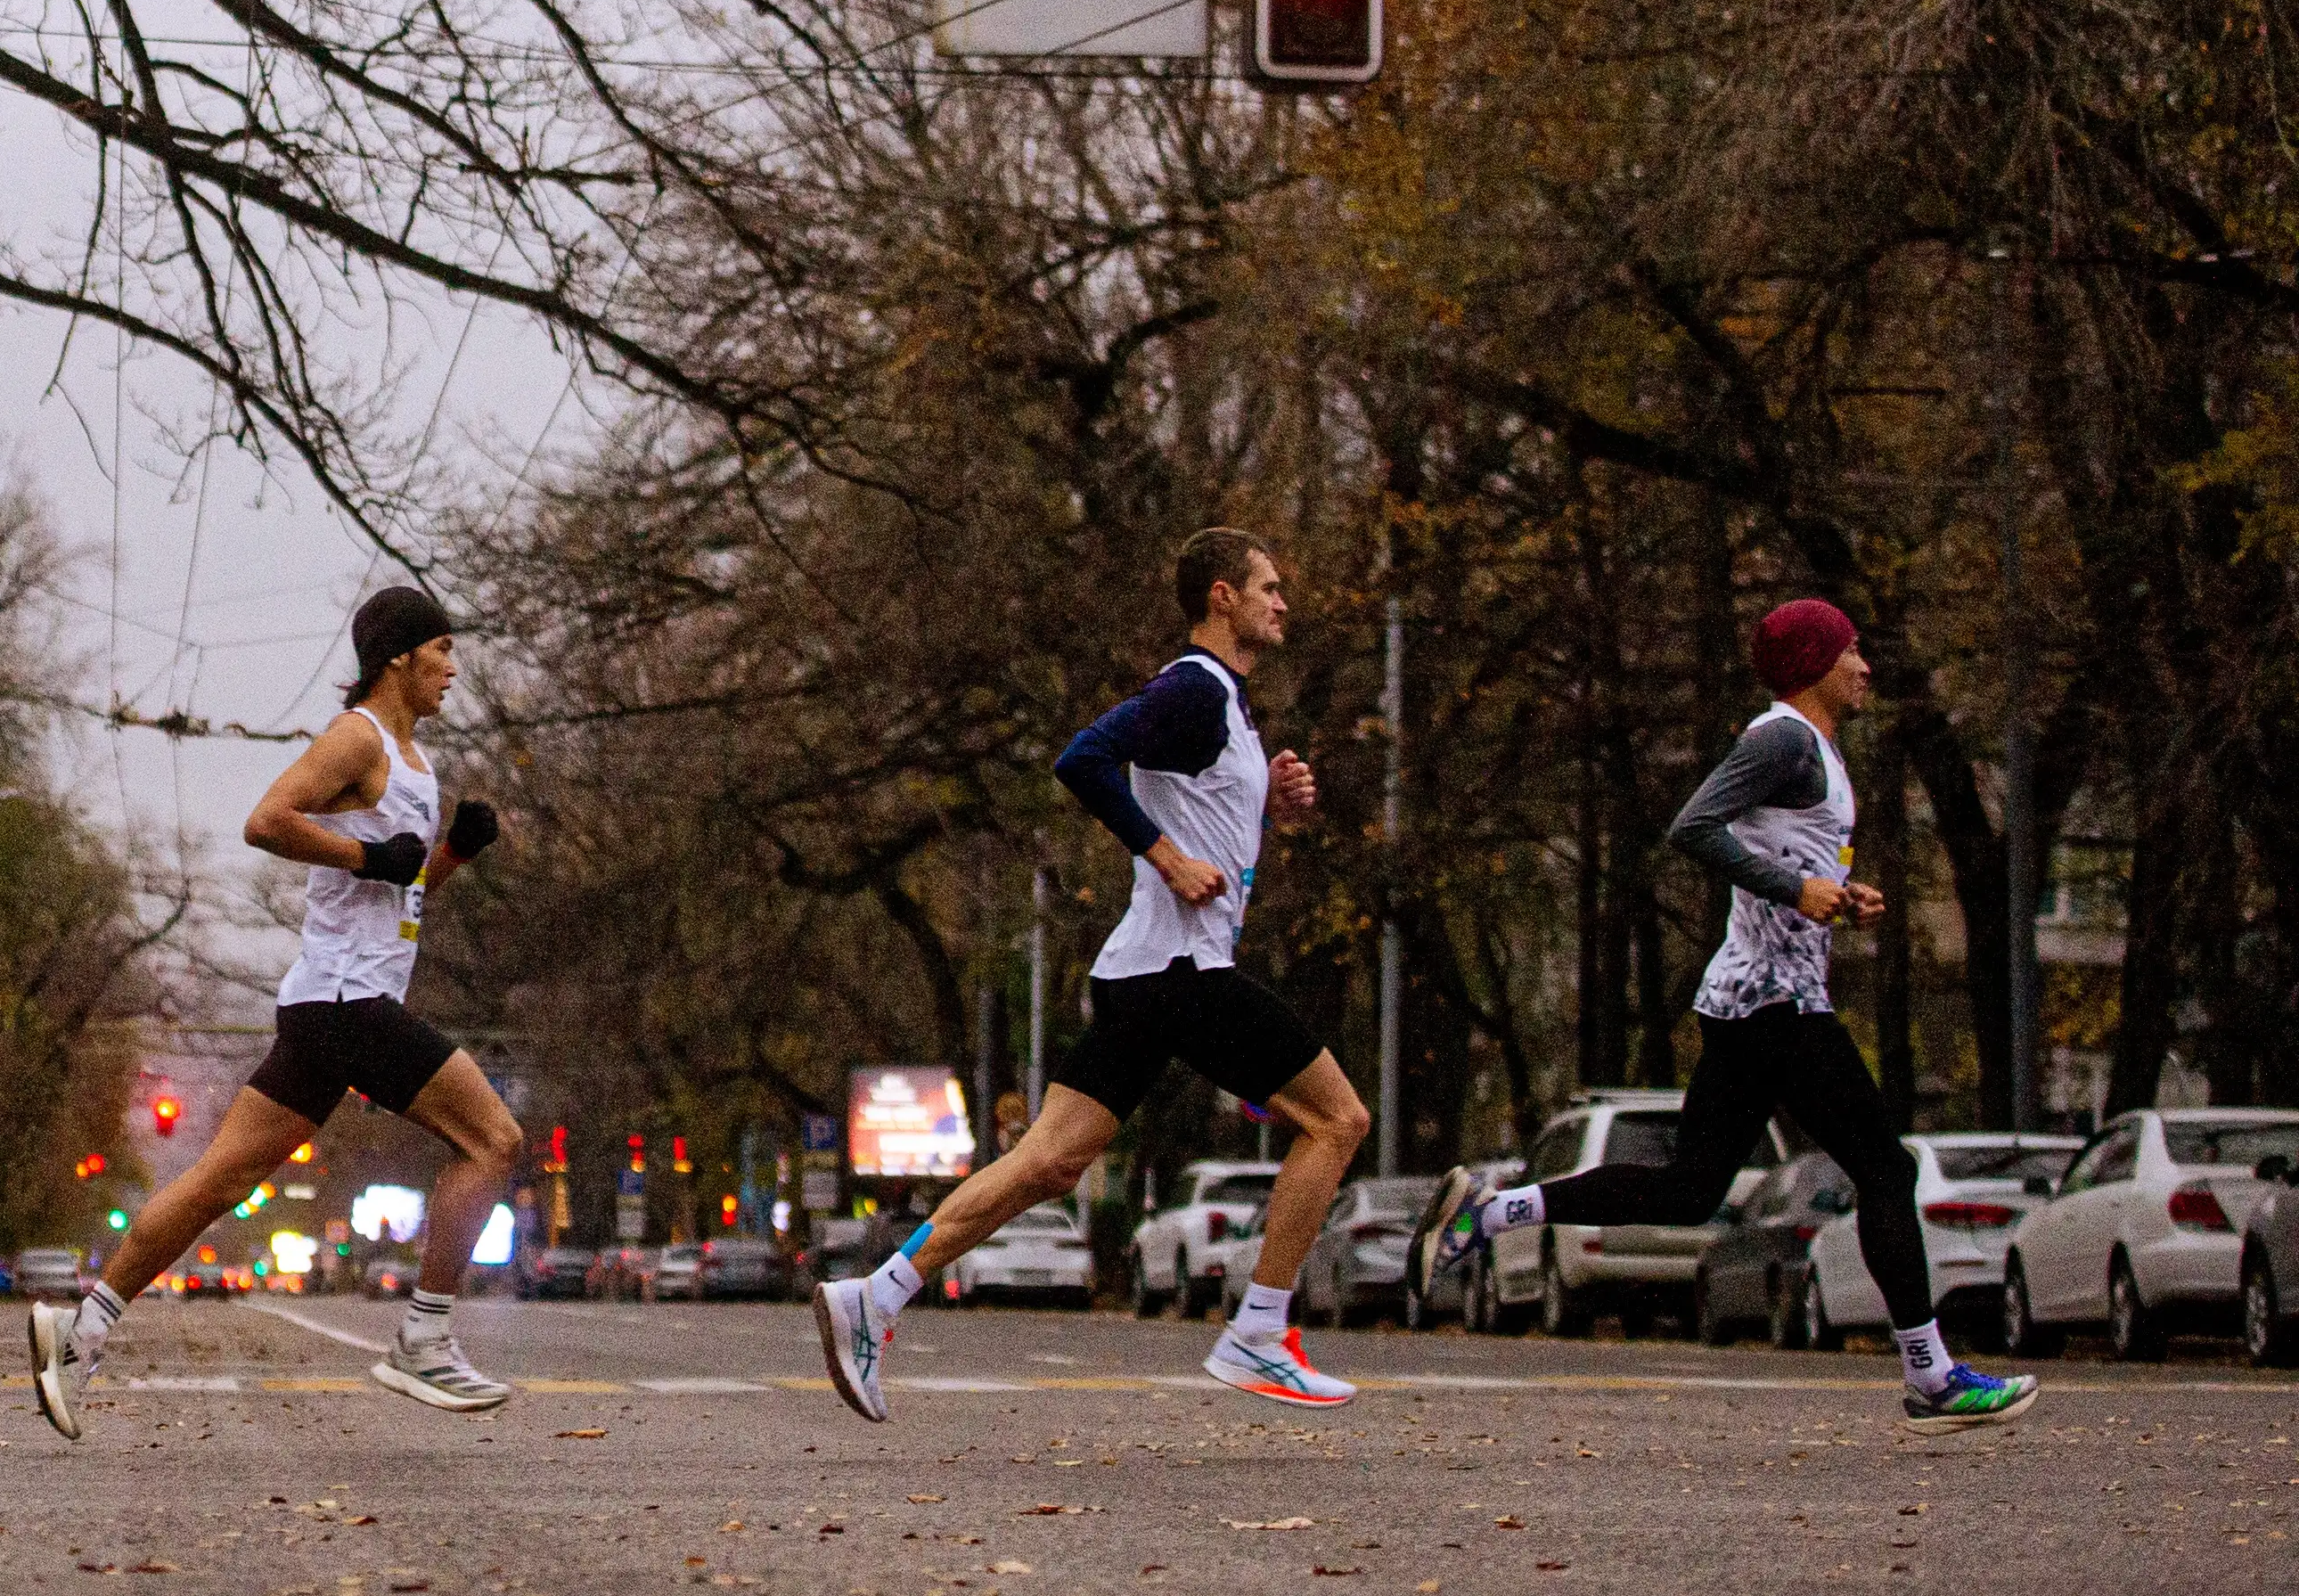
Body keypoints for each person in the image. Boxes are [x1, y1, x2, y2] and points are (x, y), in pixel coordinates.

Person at [1417, 598, 2038, 1434]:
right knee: (1886, 1170)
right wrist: (1797, 889)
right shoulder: (1782, 737)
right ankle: (1930, 1375)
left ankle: (1489, 1212)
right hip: (1778, 1003)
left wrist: (1831, 898)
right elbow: (1693, 827)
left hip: (1750, 999)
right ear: (1816, 663)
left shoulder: (1810, 749)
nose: (1866, 668)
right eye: (1853, 652)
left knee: (1687, 1190)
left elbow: (1780, 855)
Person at [812, 528, 1367, 1421]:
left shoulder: (1220, 702)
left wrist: (1275, 796)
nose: (1281, 602)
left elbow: (1197, 801)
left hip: (1143, 975)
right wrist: (1165, 857)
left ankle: (870, 1300)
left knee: (1045, 1164)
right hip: (1183, 972)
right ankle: (1259, 1331)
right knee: (1336, 1118)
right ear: (1220, 596)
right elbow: (1082, 760)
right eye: (1267, 586)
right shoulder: (1192, 687)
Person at [28, 586, 523, 1437]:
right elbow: (266, 822)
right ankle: (424, 1336)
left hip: (326, 1008)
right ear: (399, 657)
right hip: (349, 1005)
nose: (453, 667)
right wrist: (370, 852)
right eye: (442, 648)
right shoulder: (356, 738)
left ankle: (83, 1328)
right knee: (496, 1142)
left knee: (218, 1181)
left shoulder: (412, 761)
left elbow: (397, 896)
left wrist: (450, 855)